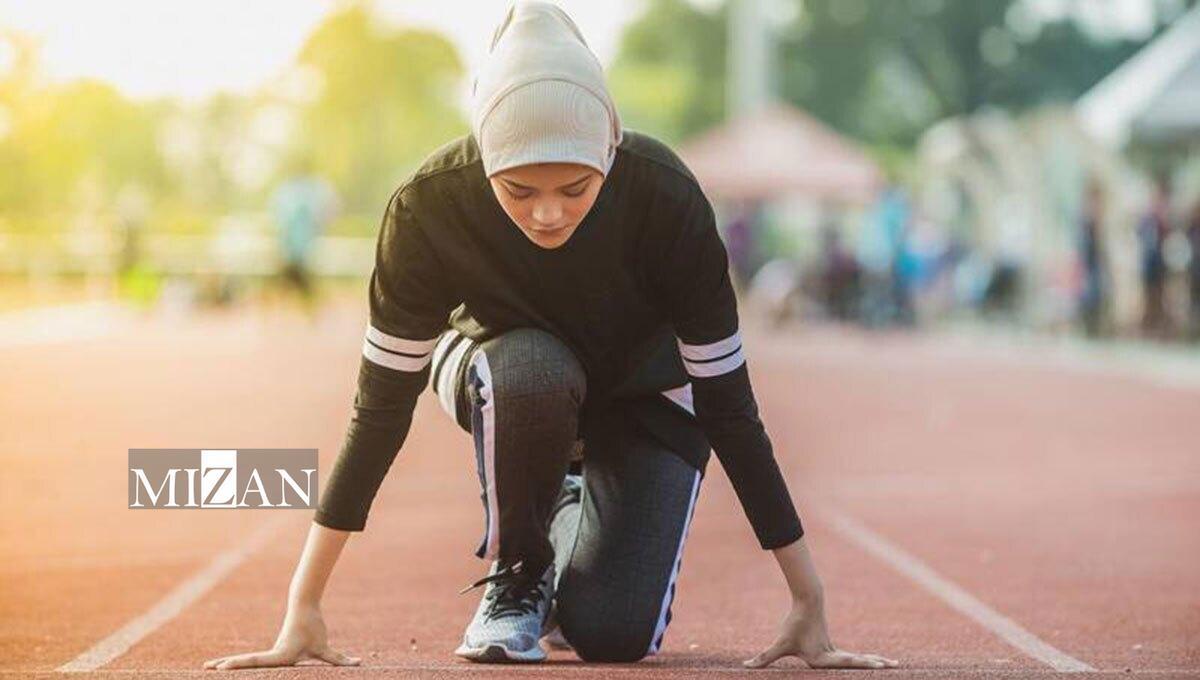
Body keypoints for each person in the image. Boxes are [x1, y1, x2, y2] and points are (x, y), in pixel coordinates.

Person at [203, 1, 898, 671]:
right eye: (517, 190)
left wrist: (808, 599)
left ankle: (566, 506)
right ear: (483, 162)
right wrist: (305, 601)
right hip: (502, 368)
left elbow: (729, 408)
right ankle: (520, 569)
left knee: (614, 634)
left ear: (610, 147)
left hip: (642, 391)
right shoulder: (429, 208)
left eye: (574, 188)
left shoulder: (668, 200)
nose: (546, 214)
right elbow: (379, 410)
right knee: (533, 371)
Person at [1136, 177, 1172, 339]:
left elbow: (1169, 236)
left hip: (1160, 263)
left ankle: (1158, 327)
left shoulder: (1164, 217)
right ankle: (1148, 328)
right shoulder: (1146, 216)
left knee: (1160, 295)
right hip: (1148, 263)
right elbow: (1140, 233)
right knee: (1148, 295)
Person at [1077, 180, 1109, 338]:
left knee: (1095, 291)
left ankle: (1094, 326)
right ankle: (1089, 326)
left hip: (1093, 259)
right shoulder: (1088, 213)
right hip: (1090, 260)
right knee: (1091, 291)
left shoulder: (1090, 213)